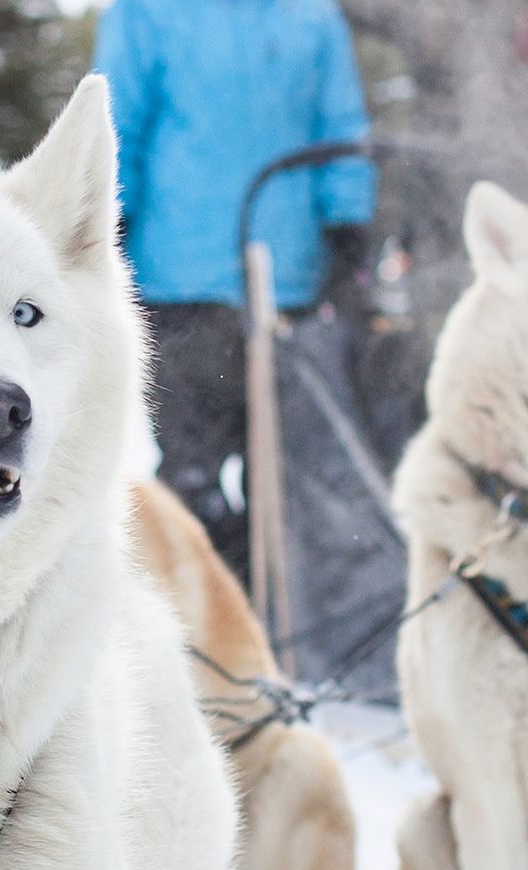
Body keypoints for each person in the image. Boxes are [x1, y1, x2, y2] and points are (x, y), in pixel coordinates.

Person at [95, 0, 377, 581]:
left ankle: (278, 625)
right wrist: (109, 221)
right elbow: (113, 125)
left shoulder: (311, 16)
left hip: (285, 285)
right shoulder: (147, 13)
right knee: (193, 475)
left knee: (282, 475)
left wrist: (347, 227)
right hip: (182, 286)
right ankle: (199, 627)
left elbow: (342, 131)